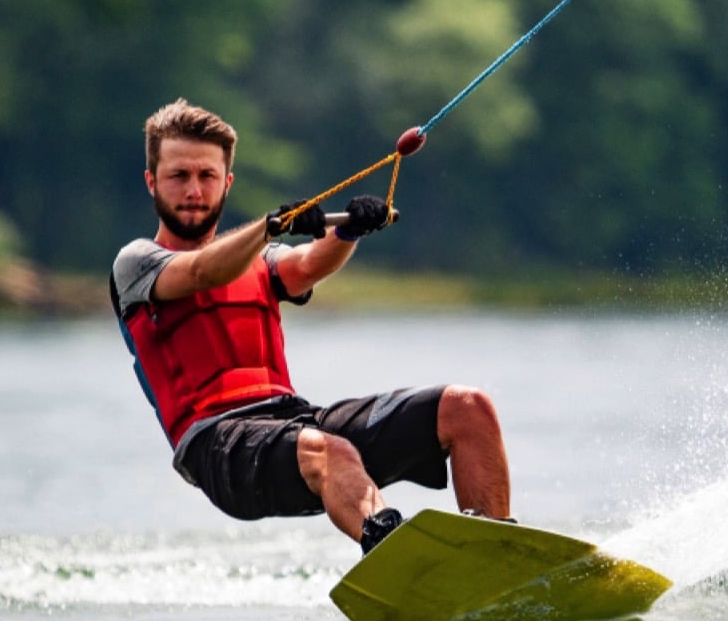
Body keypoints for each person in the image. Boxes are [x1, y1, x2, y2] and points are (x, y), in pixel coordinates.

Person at [111, 99, 513, 553]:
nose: (194, 190)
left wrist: (348, 231)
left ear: (227, 182)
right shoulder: (136, 263)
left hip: (291, 419)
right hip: (217, 447)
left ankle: (495, 559)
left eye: (206, 176)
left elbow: (304, 266)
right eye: (178, 176)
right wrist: (270, 227)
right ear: (152, 182)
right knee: (331, 450)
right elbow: (203, 272)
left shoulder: (258, 259)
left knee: (467, 408)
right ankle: (398, 556)